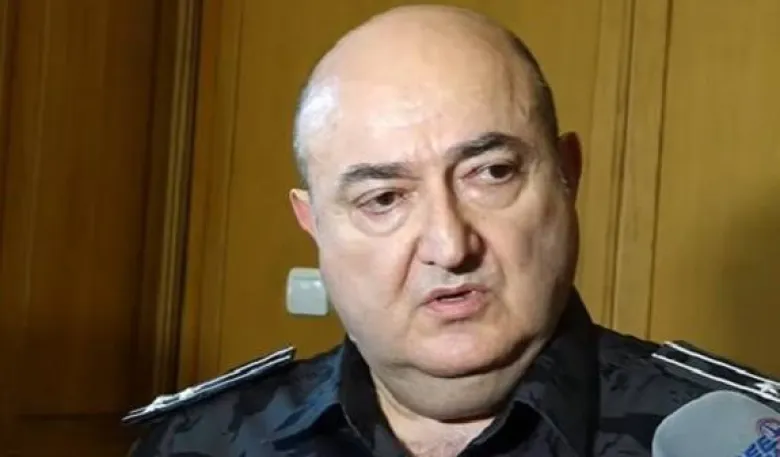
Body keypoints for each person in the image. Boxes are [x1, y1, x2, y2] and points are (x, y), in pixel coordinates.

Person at [125, 5, 780, 457]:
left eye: (491, 173)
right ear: (314, 224)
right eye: (384, 198)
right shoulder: (196, 442)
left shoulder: (735, 439)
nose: (449, 246)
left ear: (567, 175)